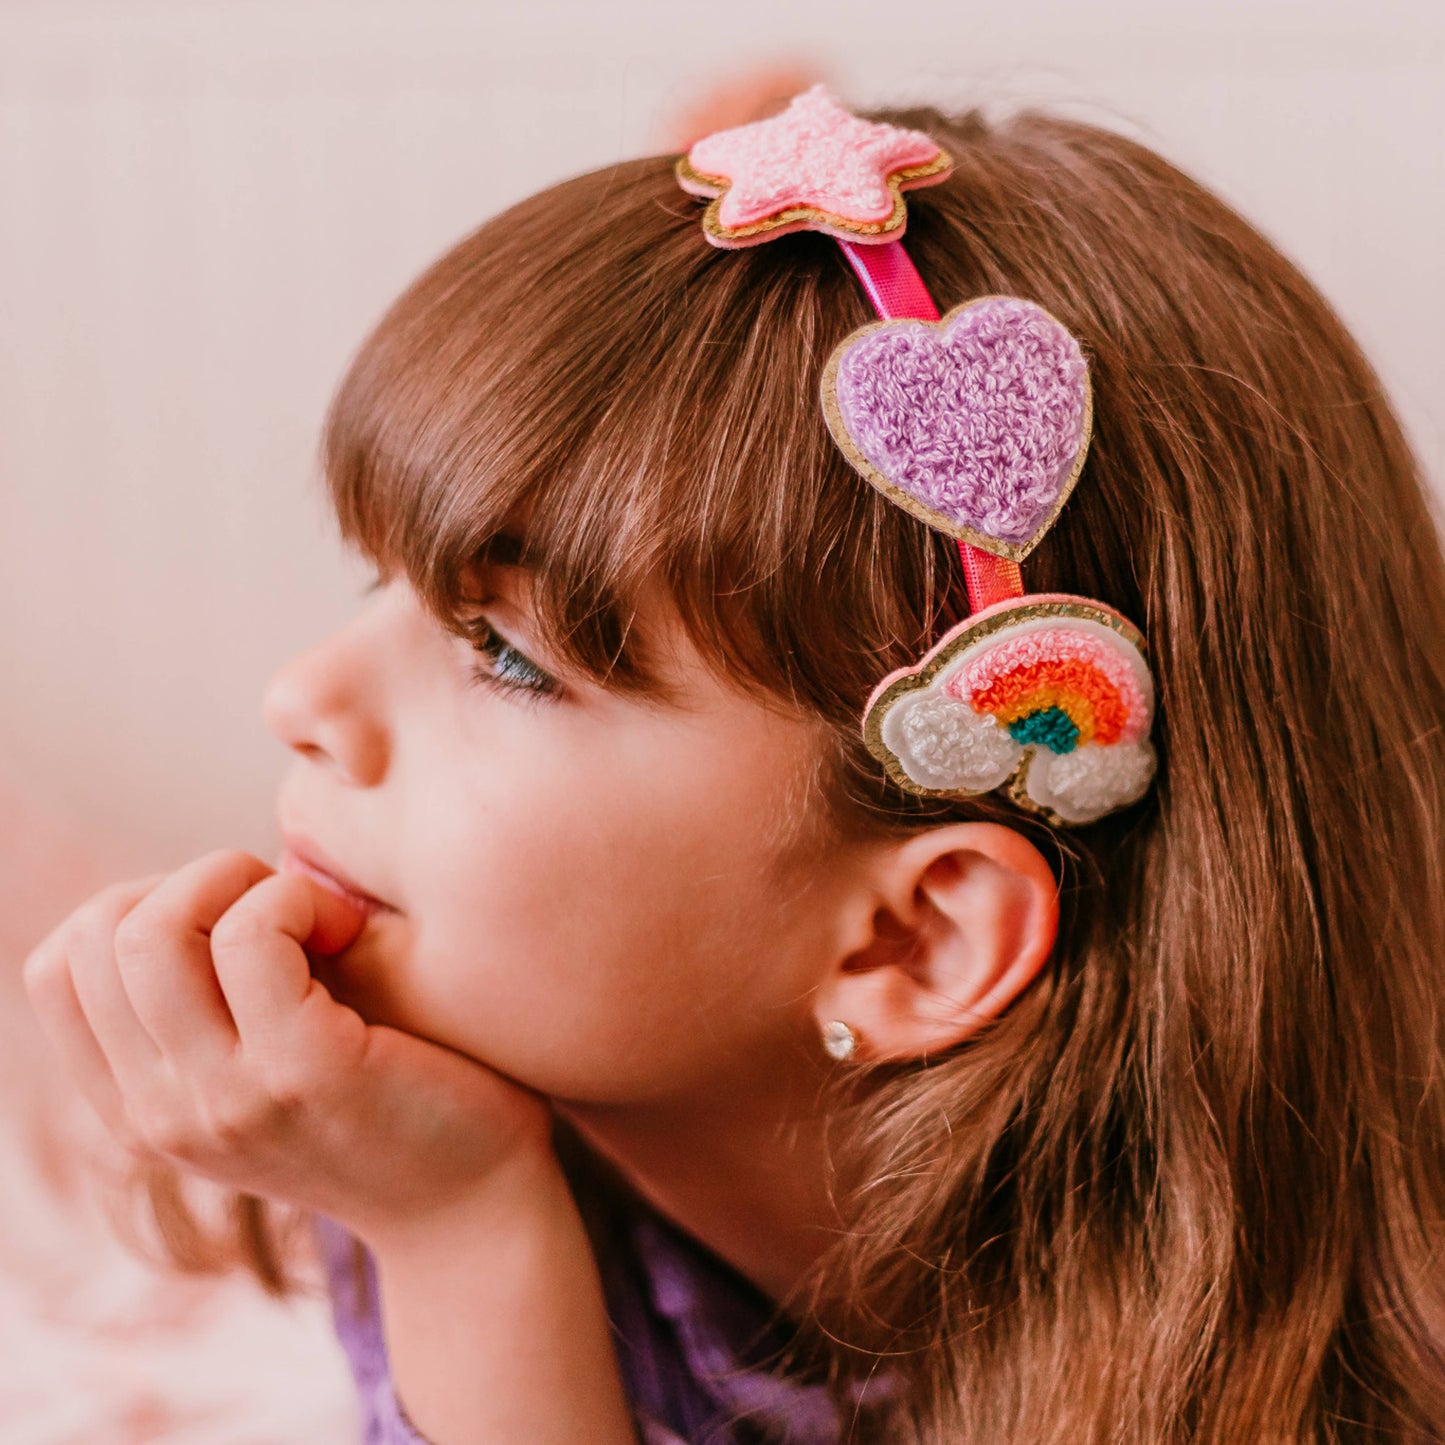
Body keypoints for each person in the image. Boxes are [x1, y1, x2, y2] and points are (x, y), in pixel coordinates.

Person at [21, 87, 1445, 1445]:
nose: (299, 698)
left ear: (911, 932)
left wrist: (465, 1241)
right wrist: (450, 1203)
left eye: (506, 656)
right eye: (375, 586)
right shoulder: (408, 1113)